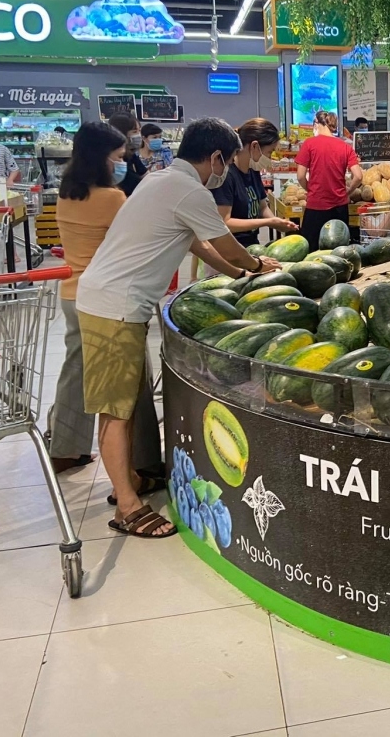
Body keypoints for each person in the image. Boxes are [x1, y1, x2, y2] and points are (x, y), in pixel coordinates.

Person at [76, 117, 281, 538]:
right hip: (115, 306)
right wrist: (256, 265)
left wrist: (237, 275)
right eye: (226, 160)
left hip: (109, 299)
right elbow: (224, 242)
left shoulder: (162, 180)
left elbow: (194, 242)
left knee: (125, 403)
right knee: (116, 410)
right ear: (217, 157)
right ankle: (128, 507)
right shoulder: (189, 189)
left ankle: (128, 481)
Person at [48, 122, 162, 479]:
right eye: (117, 158)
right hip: (107, 299)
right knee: (131, 379)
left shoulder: (66, 193)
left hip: (70, 293)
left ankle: (65, 449)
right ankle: (144, 461)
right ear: (101, 158)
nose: (121, 163)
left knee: (76, 372)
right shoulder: (112, 198)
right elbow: (134, 240)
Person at [211, 118, 297, 246]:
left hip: (252, 245)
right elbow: (224, 222)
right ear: (255, 146)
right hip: (231, 249)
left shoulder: (253, 171)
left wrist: (277, 222)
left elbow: (262, 207)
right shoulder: (227, 176)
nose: (269, 158)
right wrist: (267, 222)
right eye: (269, 152)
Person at [296, 110, 362, 251]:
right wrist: (348, 191)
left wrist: (310, 189)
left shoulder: (309, 144)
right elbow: (358, 176)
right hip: (339, 207)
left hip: (315, 207)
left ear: (317, 124)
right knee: (338, 251)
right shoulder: (345, 147)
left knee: (311, 251)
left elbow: (300, 176)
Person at [108, 112, 147, 196]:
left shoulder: (131, 155)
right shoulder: (116, 161)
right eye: (134, 131)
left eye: (139, 131)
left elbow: (145, 174)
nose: (139, 135)